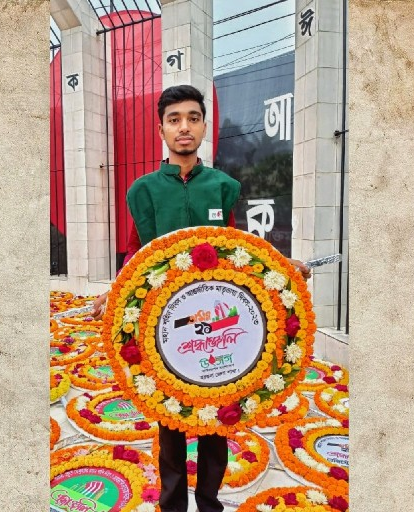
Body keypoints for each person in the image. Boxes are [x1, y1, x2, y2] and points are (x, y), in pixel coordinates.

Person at [92, 84, 311, 511]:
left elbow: (238, 249)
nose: (184, 127)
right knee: (170, 421)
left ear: (204, 127)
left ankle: (210, 503)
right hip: (165, 327)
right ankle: (172, 505)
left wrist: (282, 266)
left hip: (218, 323)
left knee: (217, 419)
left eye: (193, 118)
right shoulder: (143, 191)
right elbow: (136, 252)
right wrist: (114, 290)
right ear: (161, 129)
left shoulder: (223, 186)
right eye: (174, 120)